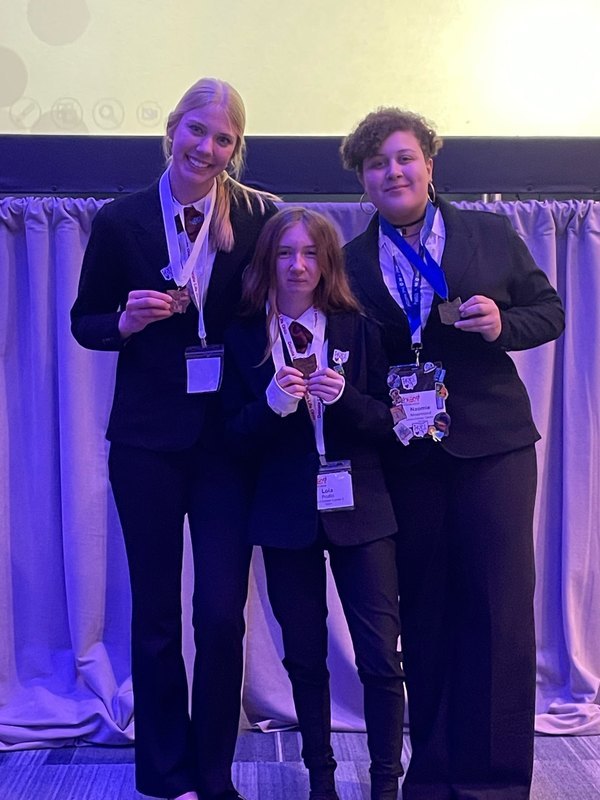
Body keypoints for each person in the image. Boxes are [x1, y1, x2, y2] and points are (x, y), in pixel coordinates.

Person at [340, 108, 565, 800]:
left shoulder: (488, 234)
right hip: (408, 455)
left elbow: (550, 312)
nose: (393, 172)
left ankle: (493, 782)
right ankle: (434, 777)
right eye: (377, 164)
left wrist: (501, 323)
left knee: (499, 612)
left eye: (404, 158)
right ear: (363, 180)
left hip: (493, 449)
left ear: (430, 165)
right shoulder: (349, 262)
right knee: (427, 615)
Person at [71, 77, 277, 800]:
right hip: (147, 445)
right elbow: (85, 321)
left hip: (227, 445)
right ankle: (166, 775)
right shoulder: (121, 220)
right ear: (171, 129)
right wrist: (123, 323)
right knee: (155, 613)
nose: (207, 148)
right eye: (197, 131)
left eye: (223, 138)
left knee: (220, 615)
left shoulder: (259, 217)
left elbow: (280, 306)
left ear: (235, 148)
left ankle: (214, 774)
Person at [222, 207, 406, 800]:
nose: (298, 266)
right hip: (285, 517)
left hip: (363, 511)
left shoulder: (360, 328)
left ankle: (385, 782)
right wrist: (271, 406)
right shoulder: (244, 336)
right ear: (267, 261)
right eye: (285, 253)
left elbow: (392, 424)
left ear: (328, 263)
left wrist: (346, 399)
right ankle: (320, 780)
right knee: (303, 657)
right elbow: (229, 439)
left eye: (310, 254)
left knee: (379, 657)